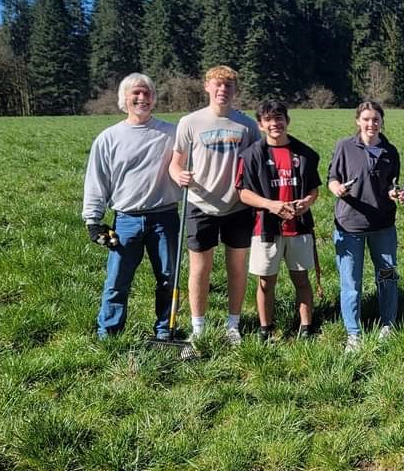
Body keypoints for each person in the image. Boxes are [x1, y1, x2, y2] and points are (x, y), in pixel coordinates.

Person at [82, 73, 181, 341]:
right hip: (126, 220)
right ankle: (110, 333)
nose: (142, 98)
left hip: (166, 217)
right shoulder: (109, 138)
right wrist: (93, 221)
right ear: (123, 99)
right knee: (117, 281)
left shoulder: (172, 133)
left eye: (147, 93)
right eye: (136, 93)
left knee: (169, 278)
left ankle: (165, 331)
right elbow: (96, 180)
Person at [168, 65, 261, 346]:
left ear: (235, 90)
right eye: (217, 85)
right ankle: (199, 328)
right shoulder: (190, 122)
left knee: (237, 267)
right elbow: (175, 163)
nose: (223, 90)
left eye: (229, 86)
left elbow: (255, 164)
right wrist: (179, 174)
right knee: (200, 269)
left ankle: (233, 325)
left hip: (237, 206)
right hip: (200, 204)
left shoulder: (247, 125)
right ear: (207, 87)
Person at [235, 100, 321, 343]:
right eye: (269, 120)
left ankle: (306, 328)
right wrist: (270, 205)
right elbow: (242, 192)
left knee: (302, 279)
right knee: (265, 281)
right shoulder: (251, 155)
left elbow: (314, 189)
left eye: (279, 118)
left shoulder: (305, 154)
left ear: (287, 121)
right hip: (266, 229)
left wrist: (307, 202)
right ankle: (266, 329)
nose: (275, 124)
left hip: (299, 227)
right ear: (261, 125)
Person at [327, 101, 404, 351]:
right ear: (358, 121)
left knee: (388, 275)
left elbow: (392, 183)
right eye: (366, 119)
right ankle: (353, 333)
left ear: (382, 121)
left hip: (383, 225)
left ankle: (388, 324)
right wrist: (337, 188)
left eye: (376, 119)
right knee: (351, 281)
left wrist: (394, 192)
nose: (371, 124)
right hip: (350, 225)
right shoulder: (345, 147)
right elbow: (331, 178)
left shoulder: (390, 151)